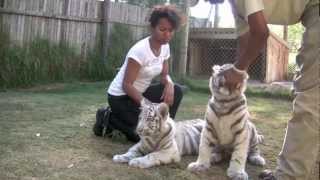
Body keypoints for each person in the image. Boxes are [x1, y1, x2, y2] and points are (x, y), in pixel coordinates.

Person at [205, 0, 319, 179]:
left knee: (310, 95)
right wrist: (238, 71)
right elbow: (245, 42)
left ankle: (290, 176)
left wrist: (237, 70)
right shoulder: (236, 7)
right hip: (309, 12)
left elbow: (261, 33)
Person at [93, 5, 185, 142]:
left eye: (171, 30)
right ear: (152, 28)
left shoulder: (165, 47)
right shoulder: (140, 51)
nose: (167, 34)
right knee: (142, 137)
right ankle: (107, 117)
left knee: (177, 90)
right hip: (120, 97)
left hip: (140, 93)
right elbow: (127, 85)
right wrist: (148, 105)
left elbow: (164, 74)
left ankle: (164, 127)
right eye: (162, 29)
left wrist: (170, 83)